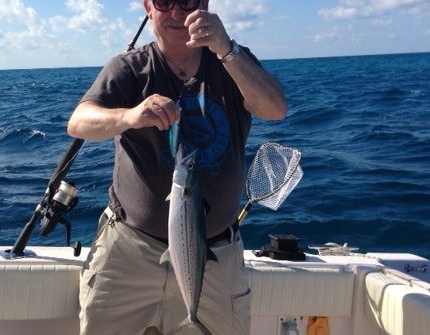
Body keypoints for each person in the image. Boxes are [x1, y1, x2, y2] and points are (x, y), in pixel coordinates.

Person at [67, 0, 286, 333]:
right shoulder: (128, 69)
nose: (176, 13)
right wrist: (128, 116)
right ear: (147, 7)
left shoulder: (233, 62)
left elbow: (275, 109)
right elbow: (79, 122)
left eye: (187, 2)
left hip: (215, 257)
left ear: (205, 5)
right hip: (129, 253)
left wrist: (226, 49)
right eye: (164, 2)